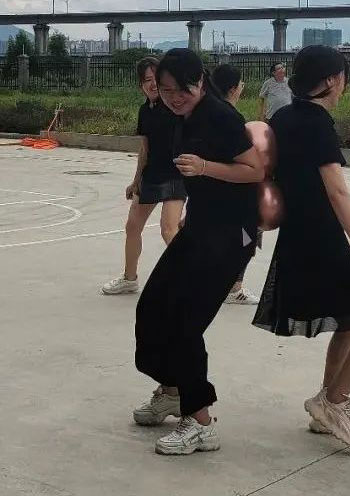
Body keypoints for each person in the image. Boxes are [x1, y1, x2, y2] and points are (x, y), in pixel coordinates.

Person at [252, 45, 350, 450]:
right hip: (322, 241)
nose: (343, 86)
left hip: (299, 239)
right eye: (343, 78)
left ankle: (328, 406)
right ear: (332, 80)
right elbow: (337, 191)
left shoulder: (283, 117)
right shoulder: (317, 123)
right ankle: (333, 401)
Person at [130, 48, 265, 456]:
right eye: (165, 89)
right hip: (201, 228)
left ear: (200, 82)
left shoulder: (220, 117)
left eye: (181, 89)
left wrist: (205, 167)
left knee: (184, 322)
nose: (173, 97)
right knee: (152, 307)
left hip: (230, 235)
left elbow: (255, 170)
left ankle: (201, 422)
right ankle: (173, 391)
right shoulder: (178, 116)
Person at [101, 57, 186, 295]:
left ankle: (191, 279)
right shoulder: (144, 111)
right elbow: (144, 149)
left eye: (156, 79)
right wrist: (136, 180)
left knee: (169, 229)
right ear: (141, 85)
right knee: (132, 227)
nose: (153, 84)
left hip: (175, 176)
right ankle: (129, 279)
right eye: (147, 80)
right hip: (151, 175)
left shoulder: (176, 107)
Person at [210, 62, 260, 305]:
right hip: (236, 191)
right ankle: (234, 288)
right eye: (240, 84)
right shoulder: (231, 118)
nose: (242, 88)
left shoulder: (208, 114)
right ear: (233, 89)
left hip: (213, 191)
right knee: (247, 239)